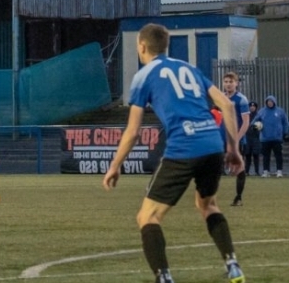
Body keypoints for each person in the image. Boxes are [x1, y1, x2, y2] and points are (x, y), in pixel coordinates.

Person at [102, 23, 245, 283]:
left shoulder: (143, 76)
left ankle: (164, 277)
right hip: (212, 144)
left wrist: (115, 165)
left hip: (184, 146)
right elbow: (225, 104)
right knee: (208, 204)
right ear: (165, 46)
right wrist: (233, 148)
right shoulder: (189, 68)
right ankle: (233, 264)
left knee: (148, 216)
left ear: (142, 47)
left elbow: (133, 131)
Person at [220, 72, 250, 206]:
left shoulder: (241, 100)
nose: (228, 84)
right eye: (226, 81)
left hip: (236, 140)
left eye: (231, 82)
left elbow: (245, 122)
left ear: (236, 83)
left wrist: (236, 139)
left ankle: (238, 197)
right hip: (221, 138)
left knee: (239, 168)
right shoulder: (221, 97)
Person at [253, 95, 289, 178]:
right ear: (266, 102)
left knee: (278, 155)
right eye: (268, 102)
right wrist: (254, 126)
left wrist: (285, 133)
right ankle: (266, 171)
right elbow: (255, 121)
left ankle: (279, 171)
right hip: (265, 138)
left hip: (277, 138)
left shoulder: (280, 111)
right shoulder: (262, 111)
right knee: (266, 156)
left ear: (274, 102)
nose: (270, 103)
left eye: (271, 101)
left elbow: (285, 123)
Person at [242, 102, 261, 177]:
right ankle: (246, 171)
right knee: (247, 155)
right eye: (251, 106)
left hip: (256, 137)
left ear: (256, 107)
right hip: (247, 137)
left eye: (254, 106)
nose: (252, 107)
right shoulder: (246, 115)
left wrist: (255, 127)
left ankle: (257, 171)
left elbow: (261, 125)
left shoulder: (259, 115)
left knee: (256, 155)